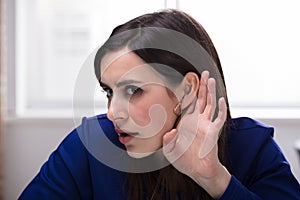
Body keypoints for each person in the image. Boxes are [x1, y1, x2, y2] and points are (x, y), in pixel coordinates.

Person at [20, 9, 300, 200]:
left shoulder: (252, 147)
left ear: (187, 89)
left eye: (133, 90)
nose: (112, 113)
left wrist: (214, 179)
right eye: (108, 91)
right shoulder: (91, 143)